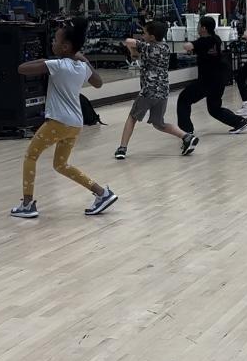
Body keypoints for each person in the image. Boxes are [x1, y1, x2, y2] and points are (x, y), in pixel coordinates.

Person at [11, 18, 116, 219]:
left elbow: (21, 68)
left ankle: (27, 204)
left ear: (66, 46)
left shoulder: (57, 65)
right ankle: (102, 193)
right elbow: (98, 83)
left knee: (30, 156)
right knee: (60, 165)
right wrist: (83, 59)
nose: (52, 43)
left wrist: (47, 60)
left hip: (57, 122)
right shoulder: (82, 67)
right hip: (75, 125)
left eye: (55, 40)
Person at [114, 20, 201, 159]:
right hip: (163, 91)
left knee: (132, 117)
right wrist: (134, 52)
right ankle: (186, 136)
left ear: (152, 37)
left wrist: (133, 50)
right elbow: (137, 53)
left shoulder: (147, 47)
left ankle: (122, 148)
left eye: (144, 33)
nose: (142, 35)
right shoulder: (165, 47)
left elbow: (128, 41)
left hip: (148, 90)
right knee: (159, 123)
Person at [178, 16, 247, 137]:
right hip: (219, 79)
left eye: (199, 25)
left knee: (183, 98)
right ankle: (240, 122)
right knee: (214, 108)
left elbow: (188, 46)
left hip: (207, 80)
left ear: (203, 28)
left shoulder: (204, 41)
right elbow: (205, 51)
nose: (197, 27)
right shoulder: (216, 39)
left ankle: (186, 130)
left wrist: (190, 45)